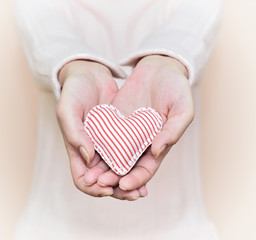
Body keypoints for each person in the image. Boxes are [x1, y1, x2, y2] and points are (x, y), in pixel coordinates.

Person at [14, 0, 222, 239]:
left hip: (179, 226)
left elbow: (201, 9)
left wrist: (170, 60)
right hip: (54, 225)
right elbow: (36, 13)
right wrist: (72, 66)